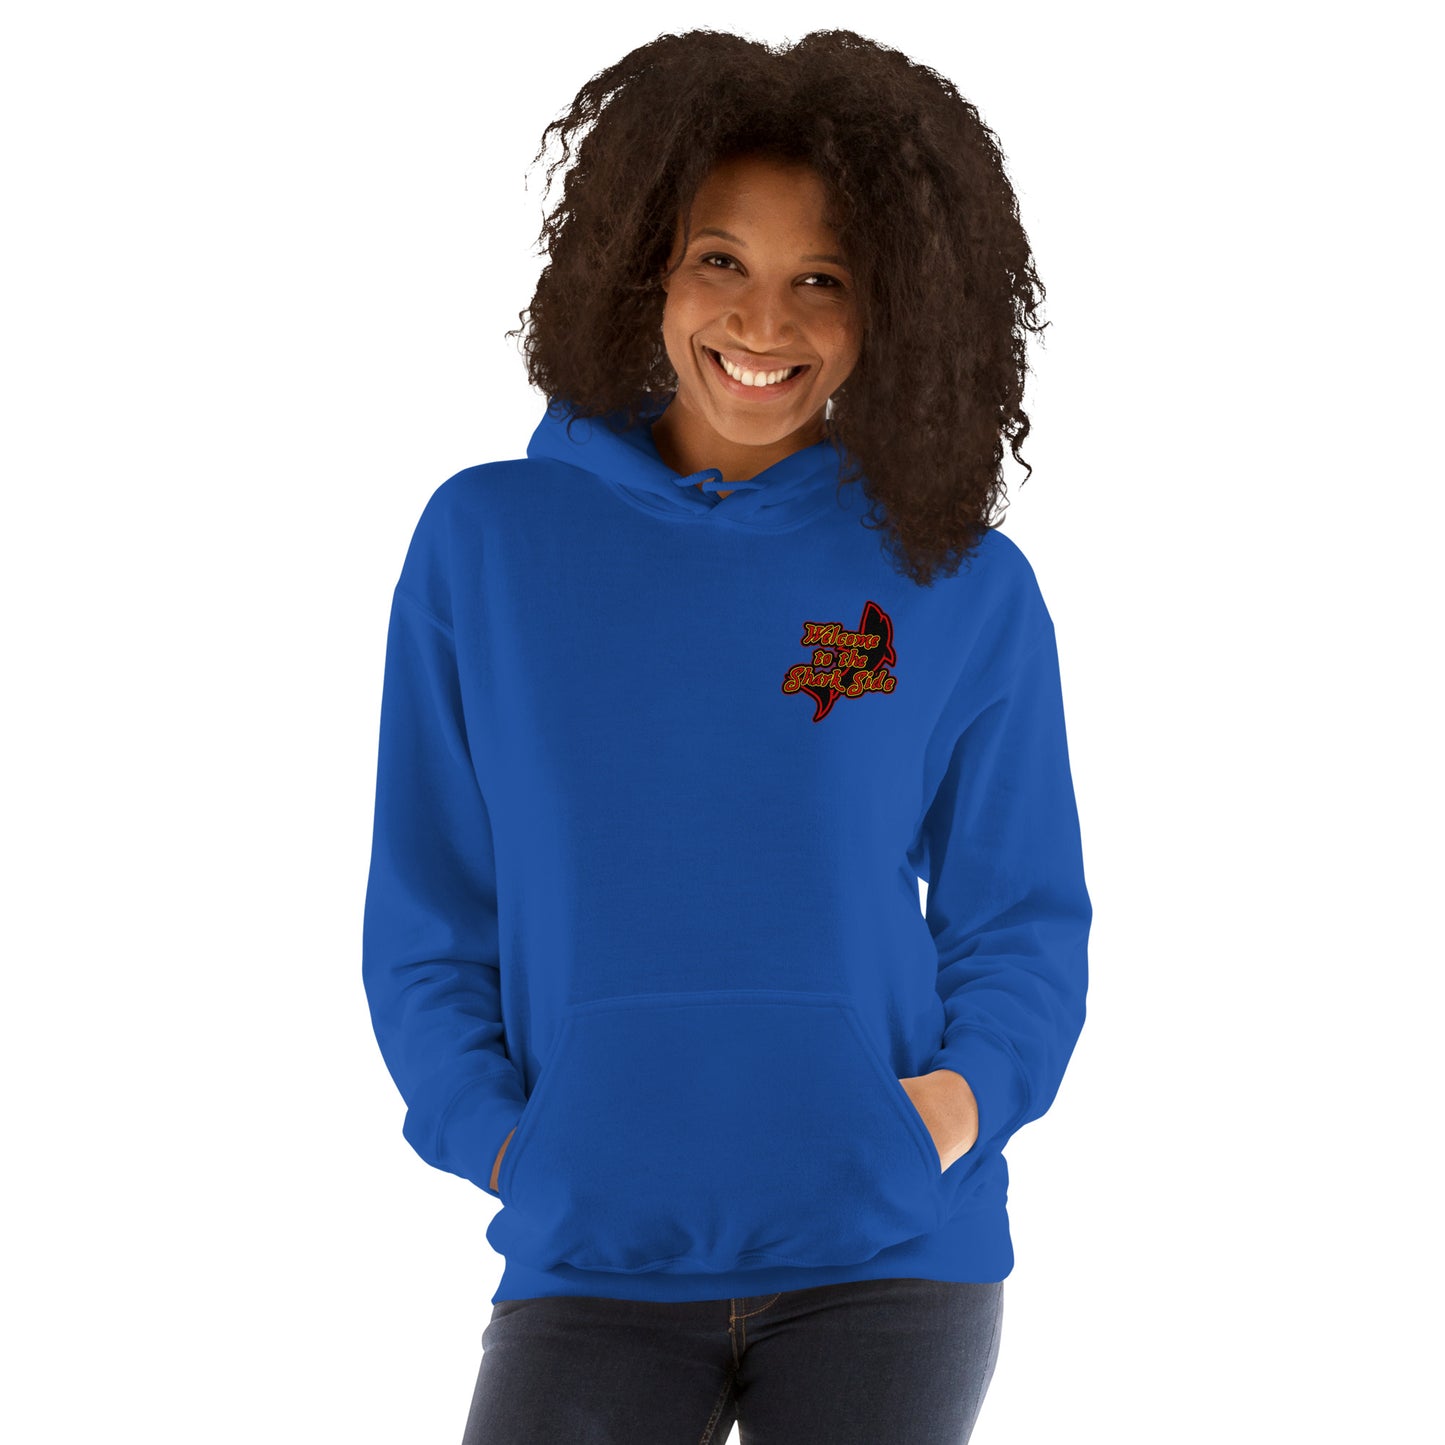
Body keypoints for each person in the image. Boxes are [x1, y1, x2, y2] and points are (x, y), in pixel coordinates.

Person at [361, 26, 1092, 1445]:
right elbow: (431, 907)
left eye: (823, 278)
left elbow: (1020, 917)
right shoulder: (486, 545)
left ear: (891, 308)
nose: (764, 325)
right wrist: (506, 1143)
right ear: (644, 265)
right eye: (721, 261)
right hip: (590, 1253)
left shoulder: (957, 580)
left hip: (893, 1258)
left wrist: (949, 1112)